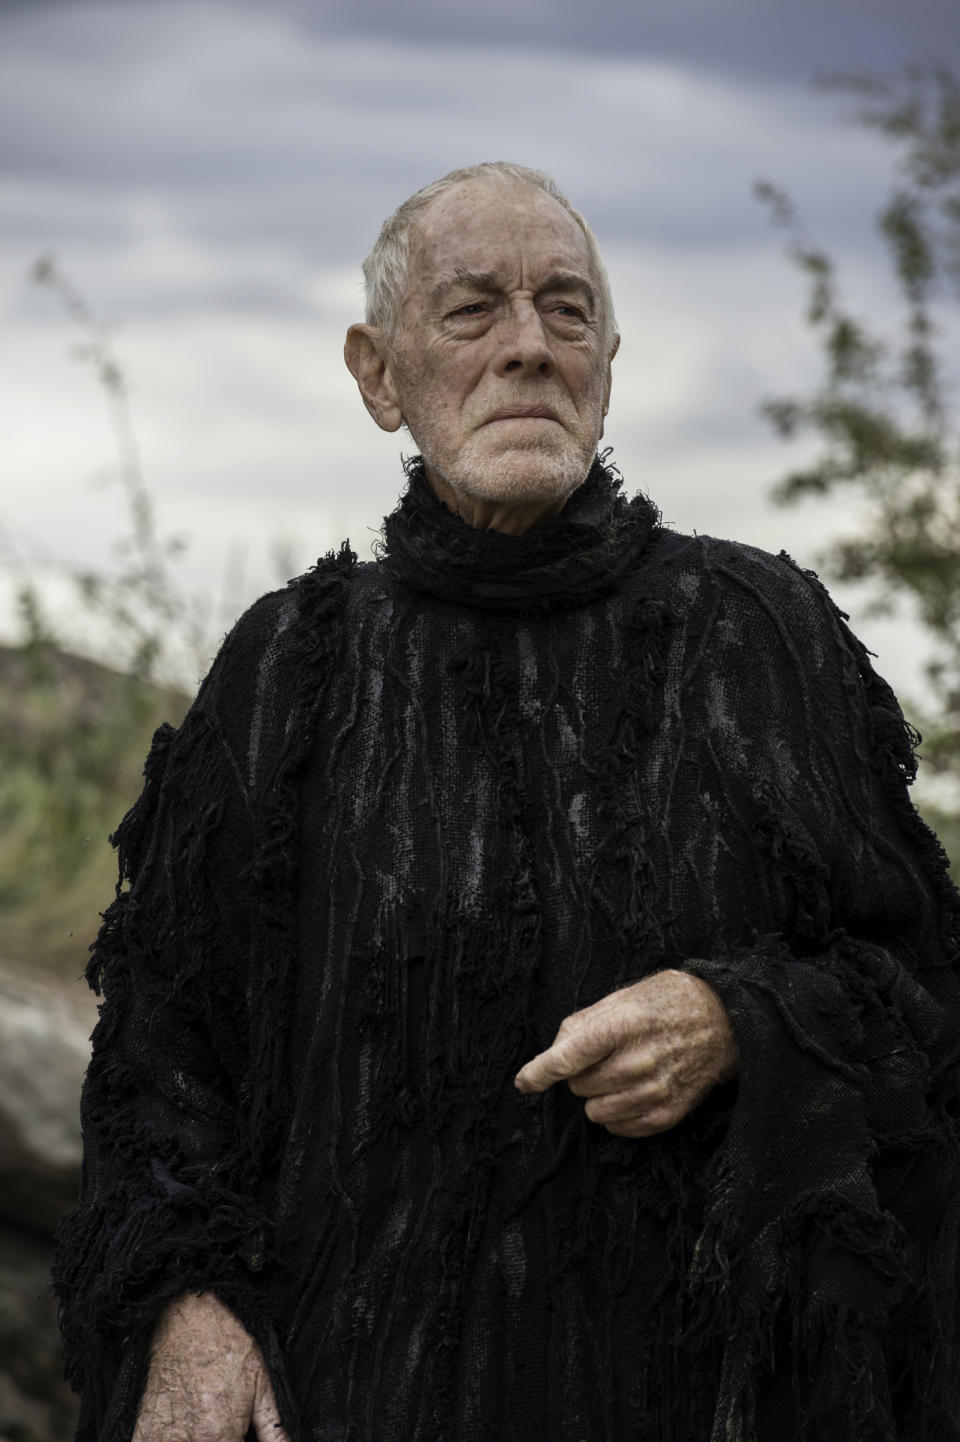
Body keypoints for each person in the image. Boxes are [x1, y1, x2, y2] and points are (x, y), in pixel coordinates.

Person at [54, 162, 960, 1442]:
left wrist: (737, 1017)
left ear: (608, 359)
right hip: (354, 1389)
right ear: (380, 374)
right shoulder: (292, 666)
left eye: (568, 309)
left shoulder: (759, 636)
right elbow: (159, 1059)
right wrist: (187, 1305)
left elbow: (925, 991)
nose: (529, 346)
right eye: (472, 309)